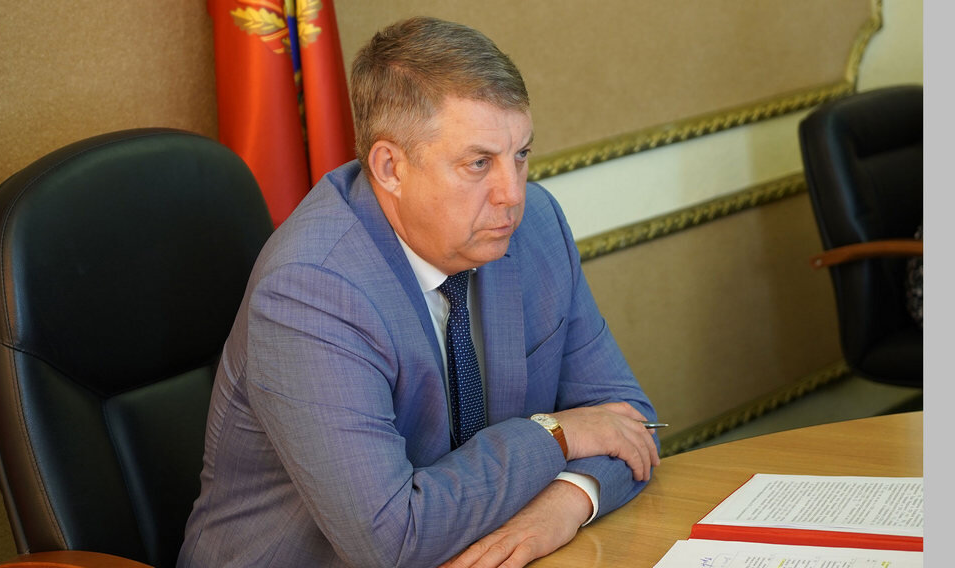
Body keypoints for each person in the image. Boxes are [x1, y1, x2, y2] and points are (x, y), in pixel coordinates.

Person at [177, 16, 660, 568]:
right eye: (479, 163)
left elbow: (632, 423)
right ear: (390, 167)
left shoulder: (535, 228)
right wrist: (556, 435)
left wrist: (566, 502)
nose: (512, 194)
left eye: (521, 155)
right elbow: (392, 542)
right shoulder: (311, 291)